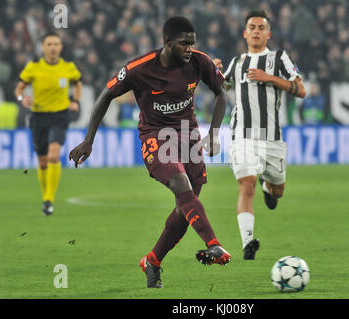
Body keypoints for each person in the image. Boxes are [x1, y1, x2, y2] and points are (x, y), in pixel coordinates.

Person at [68, 17, 231, 288]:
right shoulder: (139, 69)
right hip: (156, 136)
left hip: (188, 134)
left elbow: (221, 93)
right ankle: (213, 244)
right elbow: (105, 96)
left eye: (192, 43)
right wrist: (88, 140)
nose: (190, 48)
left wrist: (213, 133)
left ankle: (152, 262)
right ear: (167, 43)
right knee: (182, 186)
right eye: (184, 43)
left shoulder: (200, 62)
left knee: (186, 204)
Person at [213, 10, 306, 260]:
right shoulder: (237, 63)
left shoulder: (280, 59)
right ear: (245, 33)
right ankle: (247, 242)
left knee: (278, 191)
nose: (256, 31)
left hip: (271, 138)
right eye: (251, 27)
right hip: (241, 135)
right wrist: (212, 71)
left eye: (260, 27)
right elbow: (220, 87)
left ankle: (269, 187)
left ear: (268, 34)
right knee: (246, 184)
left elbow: (301, 90)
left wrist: (270, 78)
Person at [14, 32, 82, 216]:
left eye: (56, 44)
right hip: (38, 117)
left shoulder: (68, 67)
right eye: (49, 44)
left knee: (53, 156)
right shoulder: (33, 67)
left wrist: (75, 101)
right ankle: (46, 196)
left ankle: (48, 200)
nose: (53, 47)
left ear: (60, 47)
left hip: (60, 116)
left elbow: (77, 84)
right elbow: (19, 88)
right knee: (43, 162)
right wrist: (22, 98)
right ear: (43, 47)